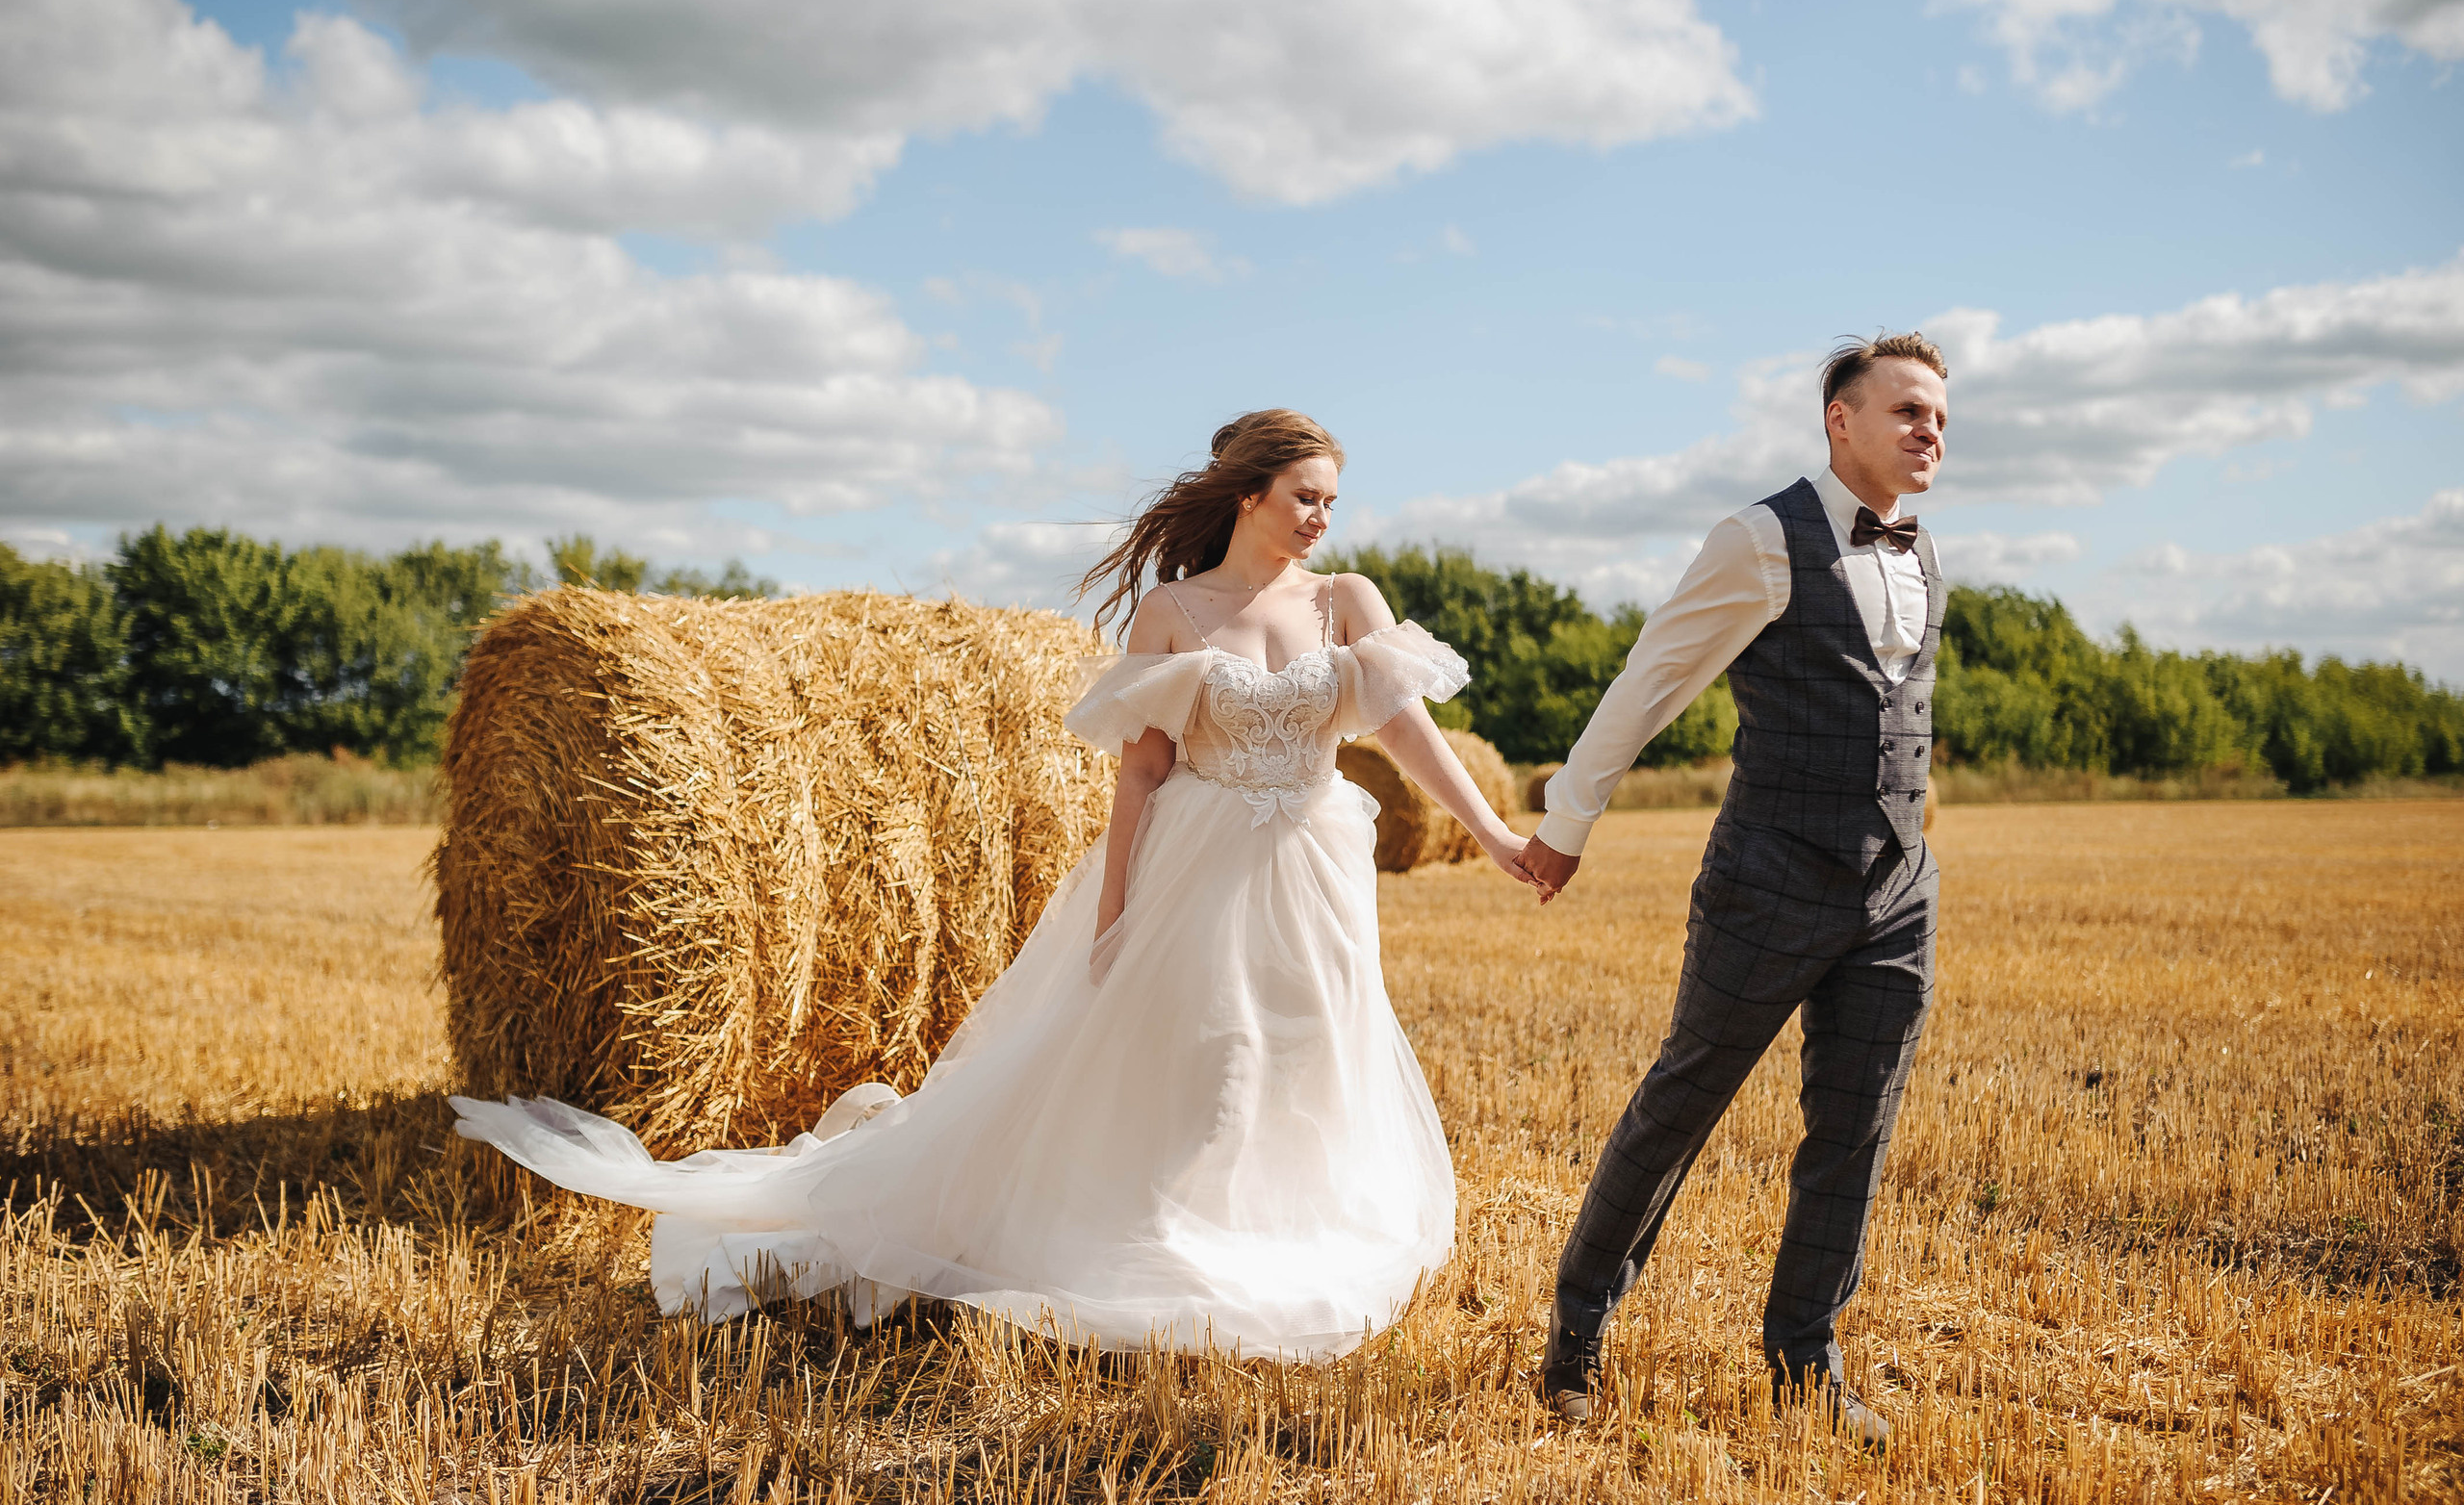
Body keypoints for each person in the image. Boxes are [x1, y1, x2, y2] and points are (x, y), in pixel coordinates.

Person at [450, 409, 1540, 1360]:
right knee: (1221, 1054)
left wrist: (1492, 832)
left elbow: (1404, 731)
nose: (1321, 518)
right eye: (1306, 497)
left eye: (1332, 501)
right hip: (1197, 861)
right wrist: (1113, 909)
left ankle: (1278, 1237)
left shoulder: (1345, 599)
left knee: (1310, 1049)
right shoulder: (1172, 612)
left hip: (1313, 861)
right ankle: (1167, 1247)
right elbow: (1144, 770)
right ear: (1249, 492)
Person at [1514, 333, 1951, 1447]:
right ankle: (1574, 1338)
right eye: (1904, 410)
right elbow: (1651, 676)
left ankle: (1805, 1360)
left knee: (1853, 1130)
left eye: (1939, 416)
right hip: (1769, 879)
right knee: (1680, 1107)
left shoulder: (1923, 552)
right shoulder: (1758, 537)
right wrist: (1569, 822)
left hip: (1897, 894)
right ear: (1838, 421)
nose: (1928, 430)